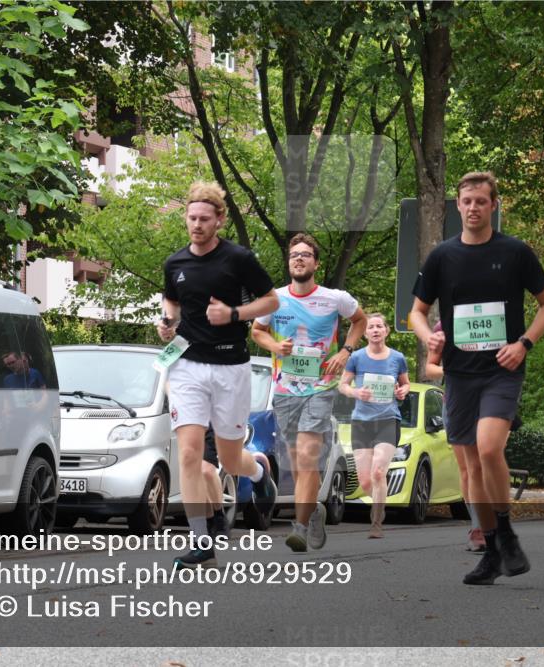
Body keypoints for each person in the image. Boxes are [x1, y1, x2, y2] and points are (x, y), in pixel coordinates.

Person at [410, 171, 544, 585]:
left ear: (494, 205)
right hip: (459, 373)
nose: (473, 208)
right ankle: (493, 549)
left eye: (481, 201)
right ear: (457, 206)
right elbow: (417, 312)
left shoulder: (514, 252)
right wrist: (428, 340)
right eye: (466, 201)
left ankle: (506, 530)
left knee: (489, 448)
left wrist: (523, 344)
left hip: (501, 370)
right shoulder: (442, 256)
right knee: (471, 468)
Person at [158, 181, 280, 569]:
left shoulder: (238, 259)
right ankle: (200, 541)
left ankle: (259, 472)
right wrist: (167, 322)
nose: (196, 225)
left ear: (219, 220)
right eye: (192, 218)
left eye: (204, 219)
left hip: (231, 366)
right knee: (191, 453)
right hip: (187, 364)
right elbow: (171, 301)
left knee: (229, 458)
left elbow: (271, 300)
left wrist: (233, 314)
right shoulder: (175, 263)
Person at [251, 233, 367, 552]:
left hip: (320, 386)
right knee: (298, 463)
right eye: (293, 255)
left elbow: (360, 321)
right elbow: (257, 331)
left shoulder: (334, 298)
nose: (299, 259)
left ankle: (299, 527)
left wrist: (345, 352)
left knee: (306, 457)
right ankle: (314, 510)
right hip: (285, 389)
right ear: (289, 263)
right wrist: (275, 345)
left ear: (316, 262)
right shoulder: (273, 299)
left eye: (305, 255)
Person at [338, 313, 410, 538]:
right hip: (361, 421)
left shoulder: (397, 358)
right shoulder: (357, 358)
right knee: (366, 480)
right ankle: (380, 501)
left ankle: (376, 522)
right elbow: (342, 385)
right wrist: (355, 392)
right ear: (366, 332)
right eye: (371, 327)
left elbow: (405, 384)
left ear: (386, 330)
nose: (376, 330)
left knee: (379, 471)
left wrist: (402, 391)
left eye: (380, 326)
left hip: (388, 419)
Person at [426, 321, 486, 552]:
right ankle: (477, 525)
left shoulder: (494, 317)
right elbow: (430, 367)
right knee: (468, 468)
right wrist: (451, 371)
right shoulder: (443, 326)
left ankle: (491, 520)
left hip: (490, 400)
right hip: (455, 403)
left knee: (486, 462)